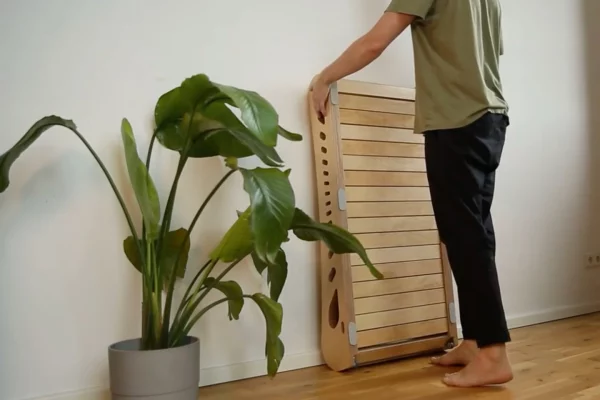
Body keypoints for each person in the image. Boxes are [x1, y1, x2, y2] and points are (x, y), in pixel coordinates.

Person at [310, 0, 512, 388]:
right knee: (474, 234)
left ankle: (493, 354)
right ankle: (475, 341)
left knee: (465, 237)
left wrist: (325, 78)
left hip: (455, 121)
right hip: (490, 118)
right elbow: (486, 52)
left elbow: (375, 42)